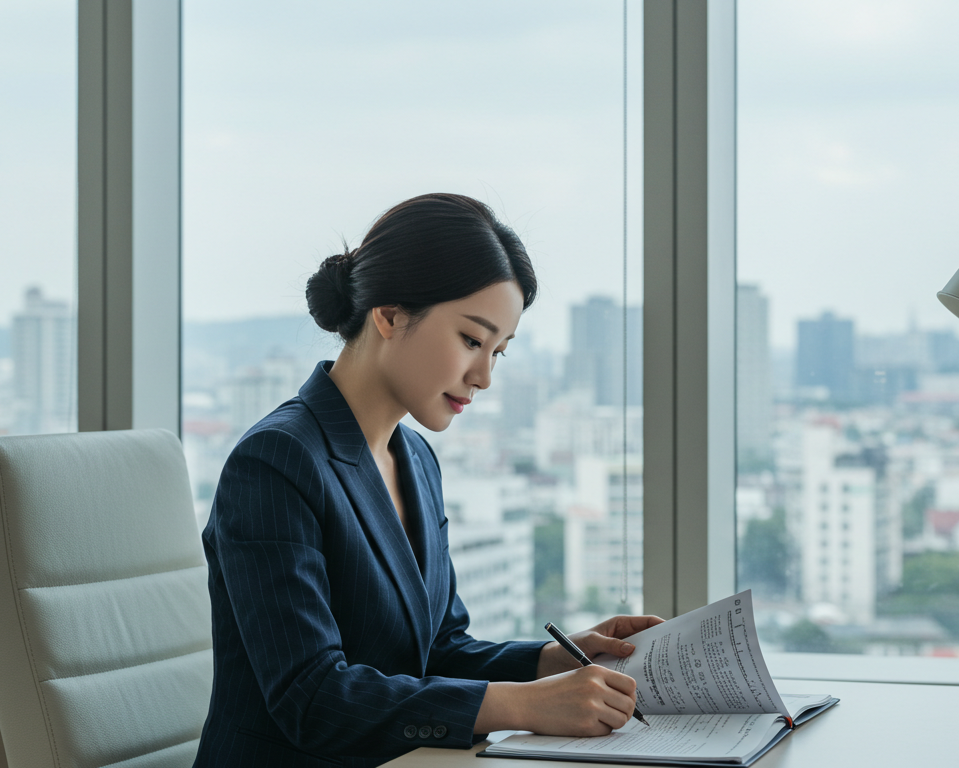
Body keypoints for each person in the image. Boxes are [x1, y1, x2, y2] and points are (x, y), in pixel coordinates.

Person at [193, 193, 663, 767]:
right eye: (471, 340)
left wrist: (553, 662)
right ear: (388, 314)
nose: (484, 376)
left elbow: (437, 650)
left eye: (499, 351)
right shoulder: (275, 461)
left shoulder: (413, 457)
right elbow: (311, 698)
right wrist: (525, 706)